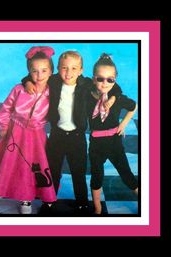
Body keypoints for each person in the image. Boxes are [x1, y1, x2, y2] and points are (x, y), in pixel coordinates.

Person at [22, 50, 122, 215]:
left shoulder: (87, 84)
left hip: (77, 137)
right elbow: (32, 77)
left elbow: (115, 87)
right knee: (53, 170)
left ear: (81, 70)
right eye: (64, 68)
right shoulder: (53, 81)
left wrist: (112, 98)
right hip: (57, 135)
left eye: (74, 68)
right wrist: (27, 83)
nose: (68, 73)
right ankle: (49, 200)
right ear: (58, 68)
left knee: (79, 172)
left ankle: (82, 202)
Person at [0, 46, 57, 214]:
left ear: (50, 72)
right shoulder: (19, 89)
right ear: (28, 72)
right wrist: (4, 127)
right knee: (8, 163)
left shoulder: (53, 91)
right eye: (34, 71)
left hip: (36, 135)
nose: (39, 75)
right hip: (15, 132)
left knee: (31, 165)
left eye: (44, 70)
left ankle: (26, 197)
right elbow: (6, 109)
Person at [88, 53, 138, 216]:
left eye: (110, 79)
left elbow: (133, 106)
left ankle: (146, 203)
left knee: (126, 174)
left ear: (115, 79)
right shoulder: (87, 96)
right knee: (96, 176)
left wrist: (123, 124)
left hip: (114, 143)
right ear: (93, 78)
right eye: (100, 78)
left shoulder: (118, 97)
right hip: (96, 144)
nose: (105, 83)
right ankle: (97, 209)